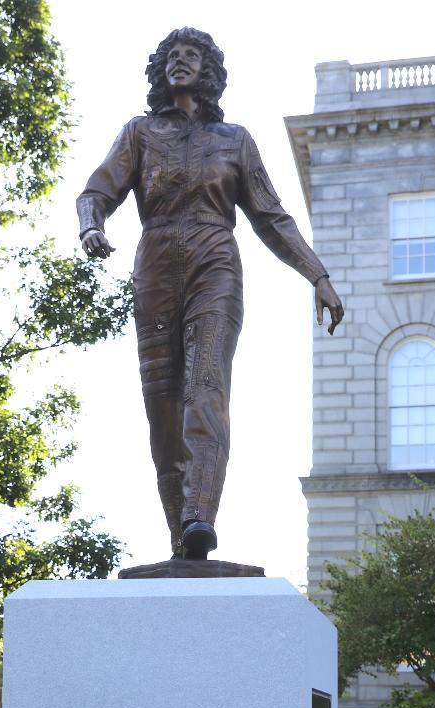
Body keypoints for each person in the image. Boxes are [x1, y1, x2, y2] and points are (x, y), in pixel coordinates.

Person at [78, 27, 344, 560]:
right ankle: (181, 532)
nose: (180, 62)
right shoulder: (140, 133)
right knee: (162, 406)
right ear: (161, 70)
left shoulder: (234, 141)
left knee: (205, 390)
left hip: (214, 262)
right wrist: (92, 225)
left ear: (209, 71)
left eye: (191, 56)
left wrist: (317, 274)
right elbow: (96, 190)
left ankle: (201, 514)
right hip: (154, 267)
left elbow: (272, 216)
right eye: (172, 56)